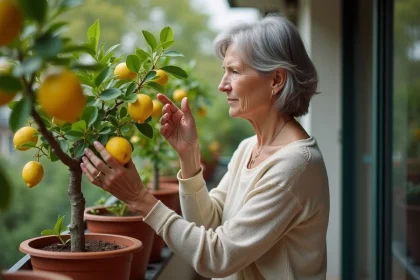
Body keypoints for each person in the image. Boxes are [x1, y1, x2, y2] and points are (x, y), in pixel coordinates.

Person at [81, 14, 330, 280]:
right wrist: (189, 158)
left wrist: (139, 198)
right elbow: (208, 224)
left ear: (276, 80)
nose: (222, 85)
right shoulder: (248, 148)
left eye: (234, 71)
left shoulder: (295, 166)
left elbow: (218, 257)